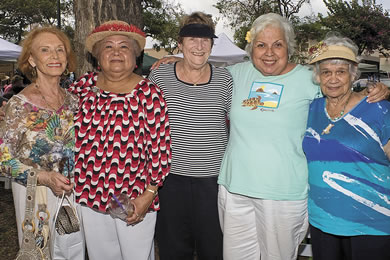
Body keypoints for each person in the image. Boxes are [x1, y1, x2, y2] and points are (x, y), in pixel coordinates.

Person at [152, 12, 389, 260]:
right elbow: (199, 69)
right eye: (261, 45)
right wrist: (175, 59)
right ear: (251, 48)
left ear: (289, 47)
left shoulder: (310, 80)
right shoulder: (235, 74)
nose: (269, 53)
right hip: (235, 191)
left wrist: (379, 92)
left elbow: (343, 94)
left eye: (278, 44)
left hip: (283, 195)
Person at [69, 20, 171, 260]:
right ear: (97, 56)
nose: (116, 52)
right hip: (90, 195)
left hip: (134, 199)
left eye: (124, 47)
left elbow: (161, 150)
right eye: (108, 47)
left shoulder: (149, 94)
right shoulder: (81, 89)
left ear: (135, 56)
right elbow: (55, 120)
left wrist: (149, 194)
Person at [148, 12, 232, 260]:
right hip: (169, 181)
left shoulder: (225, 79)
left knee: (214, 250)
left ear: (212, 44)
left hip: (214, 182)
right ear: (180, 43)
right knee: (173, 250)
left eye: (205, 39)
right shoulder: (159, 76)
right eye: (192, 38)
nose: (199, 45)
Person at [303, 34, 390, 260]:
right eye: (326, 72)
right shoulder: (312, 109)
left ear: (353, 75)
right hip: (322, 219)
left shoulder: (378, 110)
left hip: (371, 222)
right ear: (318, 77)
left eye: (340, 72)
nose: (333, 79)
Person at [0, 26, 85, 259]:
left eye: (60, 50)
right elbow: (4, 159)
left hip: (75, 197)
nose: (55, 56)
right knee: (41, 253)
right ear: (32, 60)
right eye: (45, 50)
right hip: (37, 195)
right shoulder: (19, 105)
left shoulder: (75, 102)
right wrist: (44, 177)